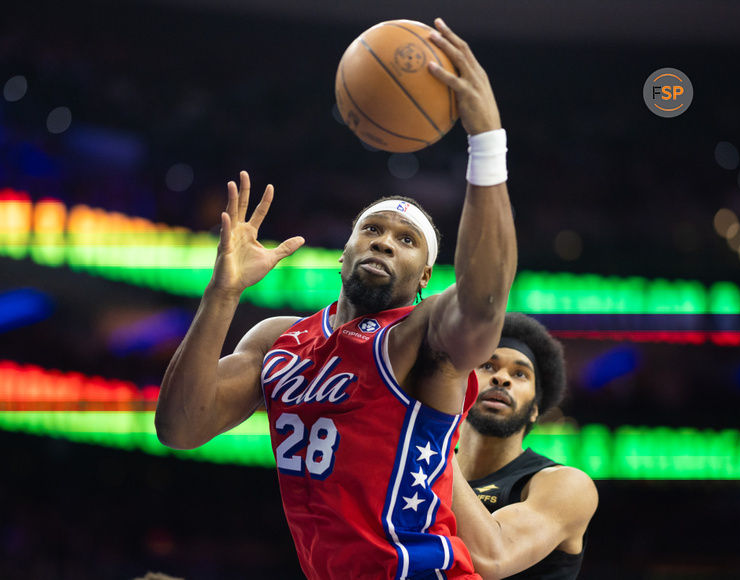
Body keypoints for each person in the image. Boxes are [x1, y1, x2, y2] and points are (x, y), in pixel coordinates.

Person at [155, 18, 516, 580]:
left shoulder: (422, 337)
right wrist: (221, 294)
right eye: (371, 230)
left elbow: (484, 301)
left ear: (424, 277)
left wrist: (487, 141)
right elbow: (180, 428)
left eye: (406, 241)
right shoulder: (279, 339)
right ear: (344, 252)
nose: (384, 243)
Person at [451, 312, 598, 579]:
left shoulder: (567, 485)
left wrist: (432, 435)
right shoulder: (422, 467)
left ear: (534, 410)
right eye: (487, 366)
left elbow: (493, 557)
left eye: (520, 374)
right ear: (463, 384)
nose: (501, 379)